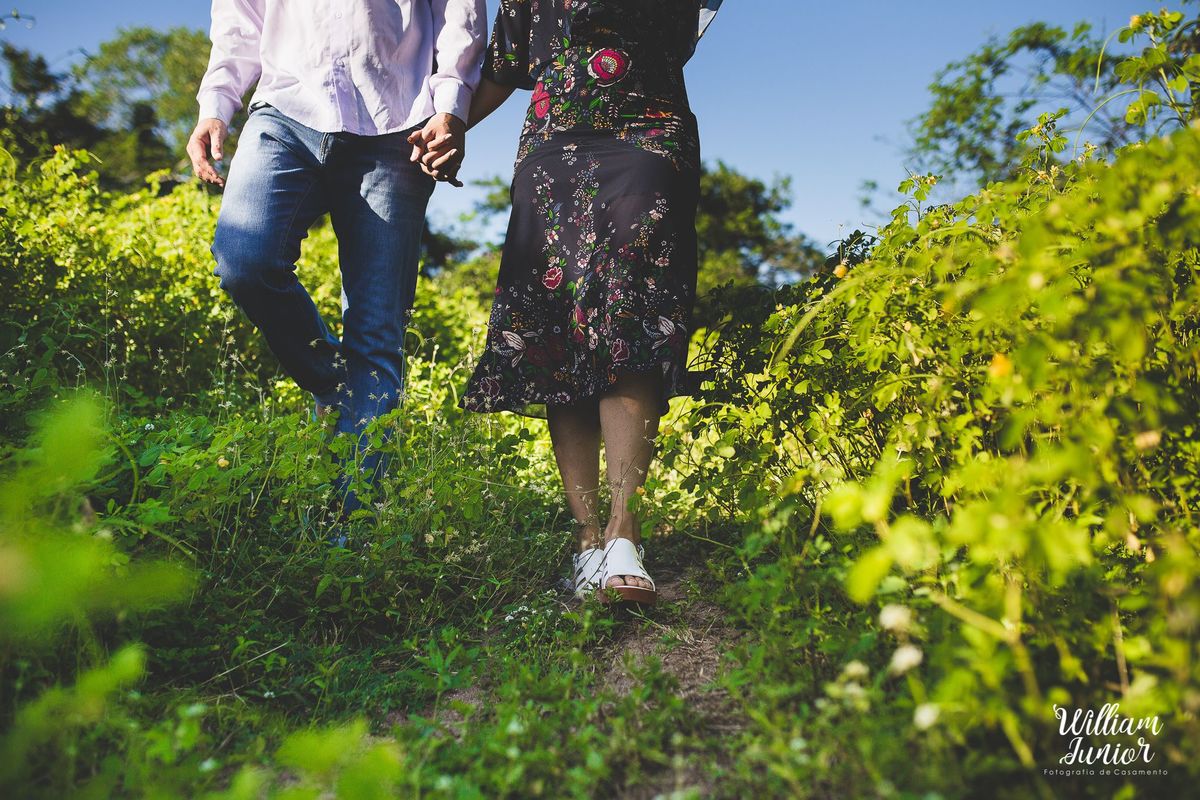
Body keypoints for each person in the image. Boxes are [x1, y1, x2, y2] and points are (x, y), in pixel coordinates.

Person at [417, 0, 723, 605]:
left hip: (648, 134)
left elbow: (680, 36)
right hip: (552, 143)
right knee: (557, 327)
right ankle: (587, 540)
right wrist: (447, 127)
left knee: (634, 316)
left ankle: (623, 532)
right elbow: (504, 66)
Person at [186, 0, 486, 519]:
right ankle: (334, 383)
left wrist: (451, 105)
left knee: (376, 331)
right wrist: (216, 103)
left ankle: (355, 538)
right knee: (245, 260)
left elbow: (461, 13)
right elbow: (240, 20)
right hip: (285, 109)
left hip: (399, 125)